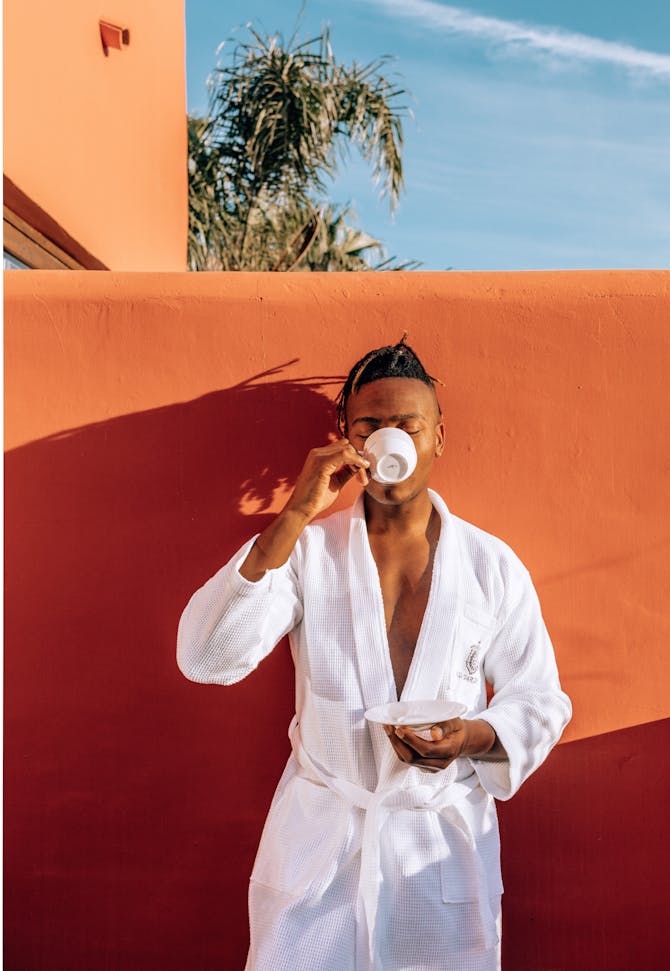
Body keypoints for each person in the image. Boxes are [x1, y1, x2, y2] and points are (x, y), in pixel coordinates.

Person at [176, 337, 572, 971]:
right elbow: (207, 656)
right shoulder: (307, 551)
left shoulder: (490, 566)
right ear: (347, 439)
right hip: (320, 846)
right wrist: (299, 510)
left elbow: (541, 697)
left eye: (409, 426)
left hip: (436, 851)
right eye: (371, 426)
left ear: (439, 437)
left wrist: (470, 736)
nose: (393, 440)